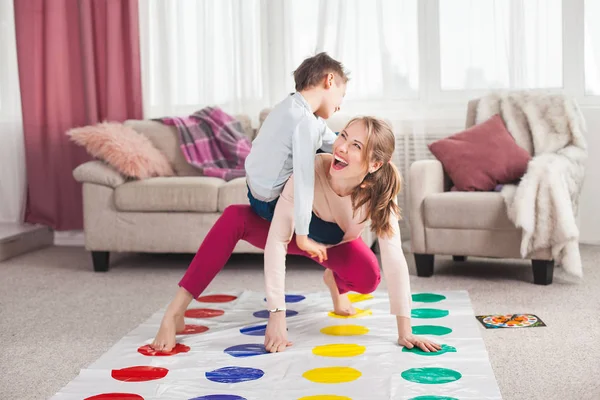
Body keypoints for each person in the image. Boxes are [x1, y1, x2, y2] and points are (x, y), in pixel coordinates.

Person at [150, 116, 440, 355]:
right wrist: (277, 315)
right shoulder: (309, 169)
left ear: (374, 164)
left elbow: (394, 258)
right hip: (293, 235)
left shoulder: (381, 192)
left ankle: (335, 283)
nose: (341, 147)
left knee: (369, 279)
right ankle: (176, 310)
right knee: (232, 218)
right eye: (343, 136)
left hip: (334, 246)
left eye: (355, 145)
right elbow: (277, 240)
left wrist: (406, 331)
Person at [245, 52, 348, 262]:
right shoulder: (305, 122)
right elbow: (303, 180)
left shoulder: (292, 106)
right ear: (329, 80)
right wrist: (302, 237)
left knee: (340, 144)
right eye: (341, 95)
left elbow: (333, 143)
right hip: (267, 202)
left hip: (252, 187)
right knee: (336, 234)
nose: (339, 105)